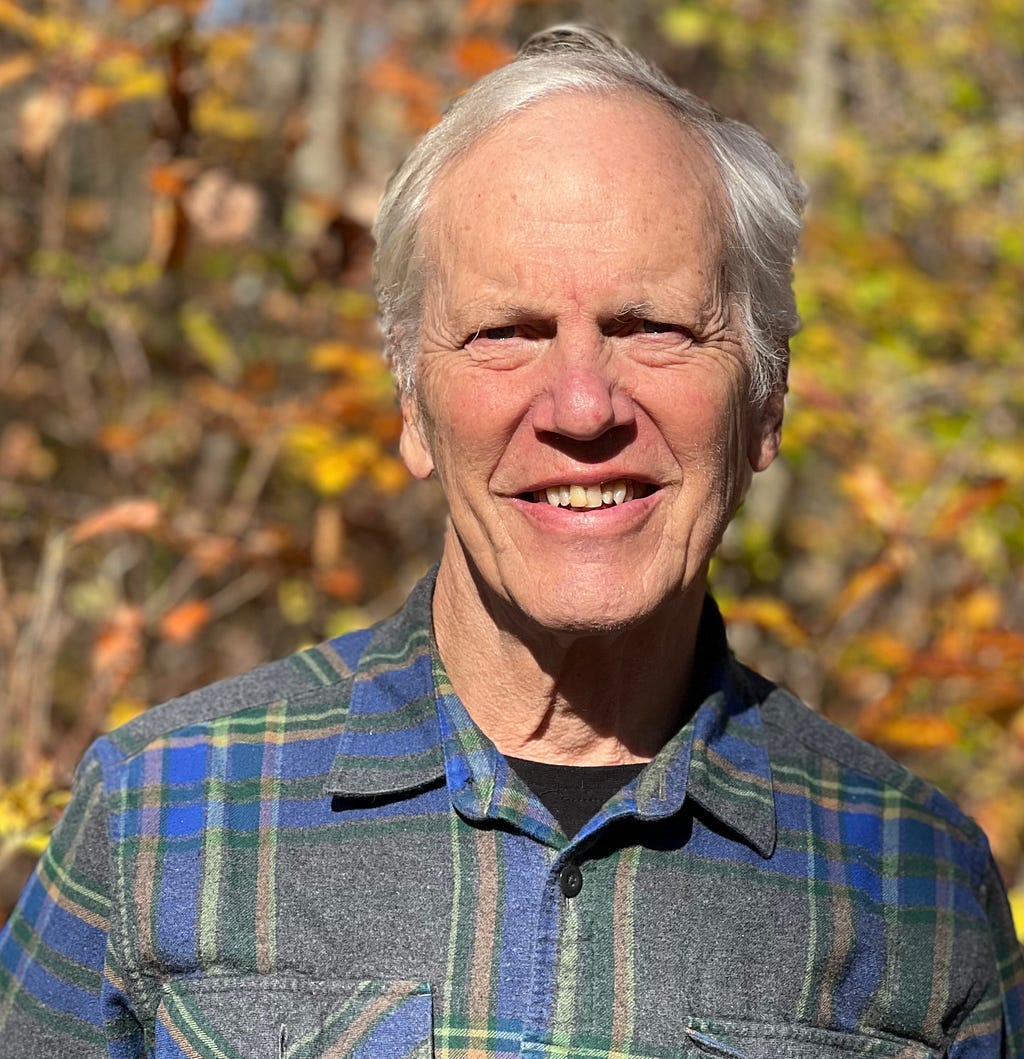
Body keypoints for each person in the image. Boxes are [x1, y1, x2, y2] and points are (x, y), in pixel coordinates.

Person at [1, 24, 1022, 1059]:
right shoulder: (161, 814)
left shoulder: (915, 885)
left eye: (652, 325)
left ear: (765, 403)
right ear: (410, 404)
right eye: (506, 333)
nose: (581, 407)